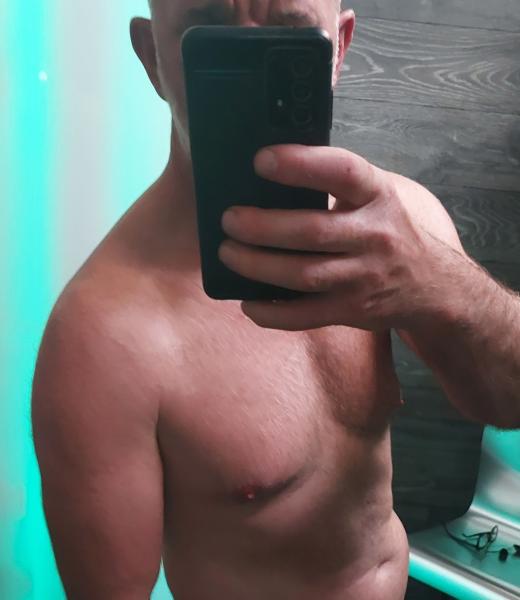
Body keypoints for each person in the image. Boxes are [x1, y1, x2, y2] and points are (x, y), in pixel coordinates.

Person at [31, 1, 520, 599]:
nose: (250, 65)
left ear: (337, 50)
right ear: (153, 58)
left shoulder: (404, 229)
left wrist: (446, 289)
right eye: (210, 29)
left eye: (290, 33)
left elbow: (510, 400)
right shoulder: (101, 338)